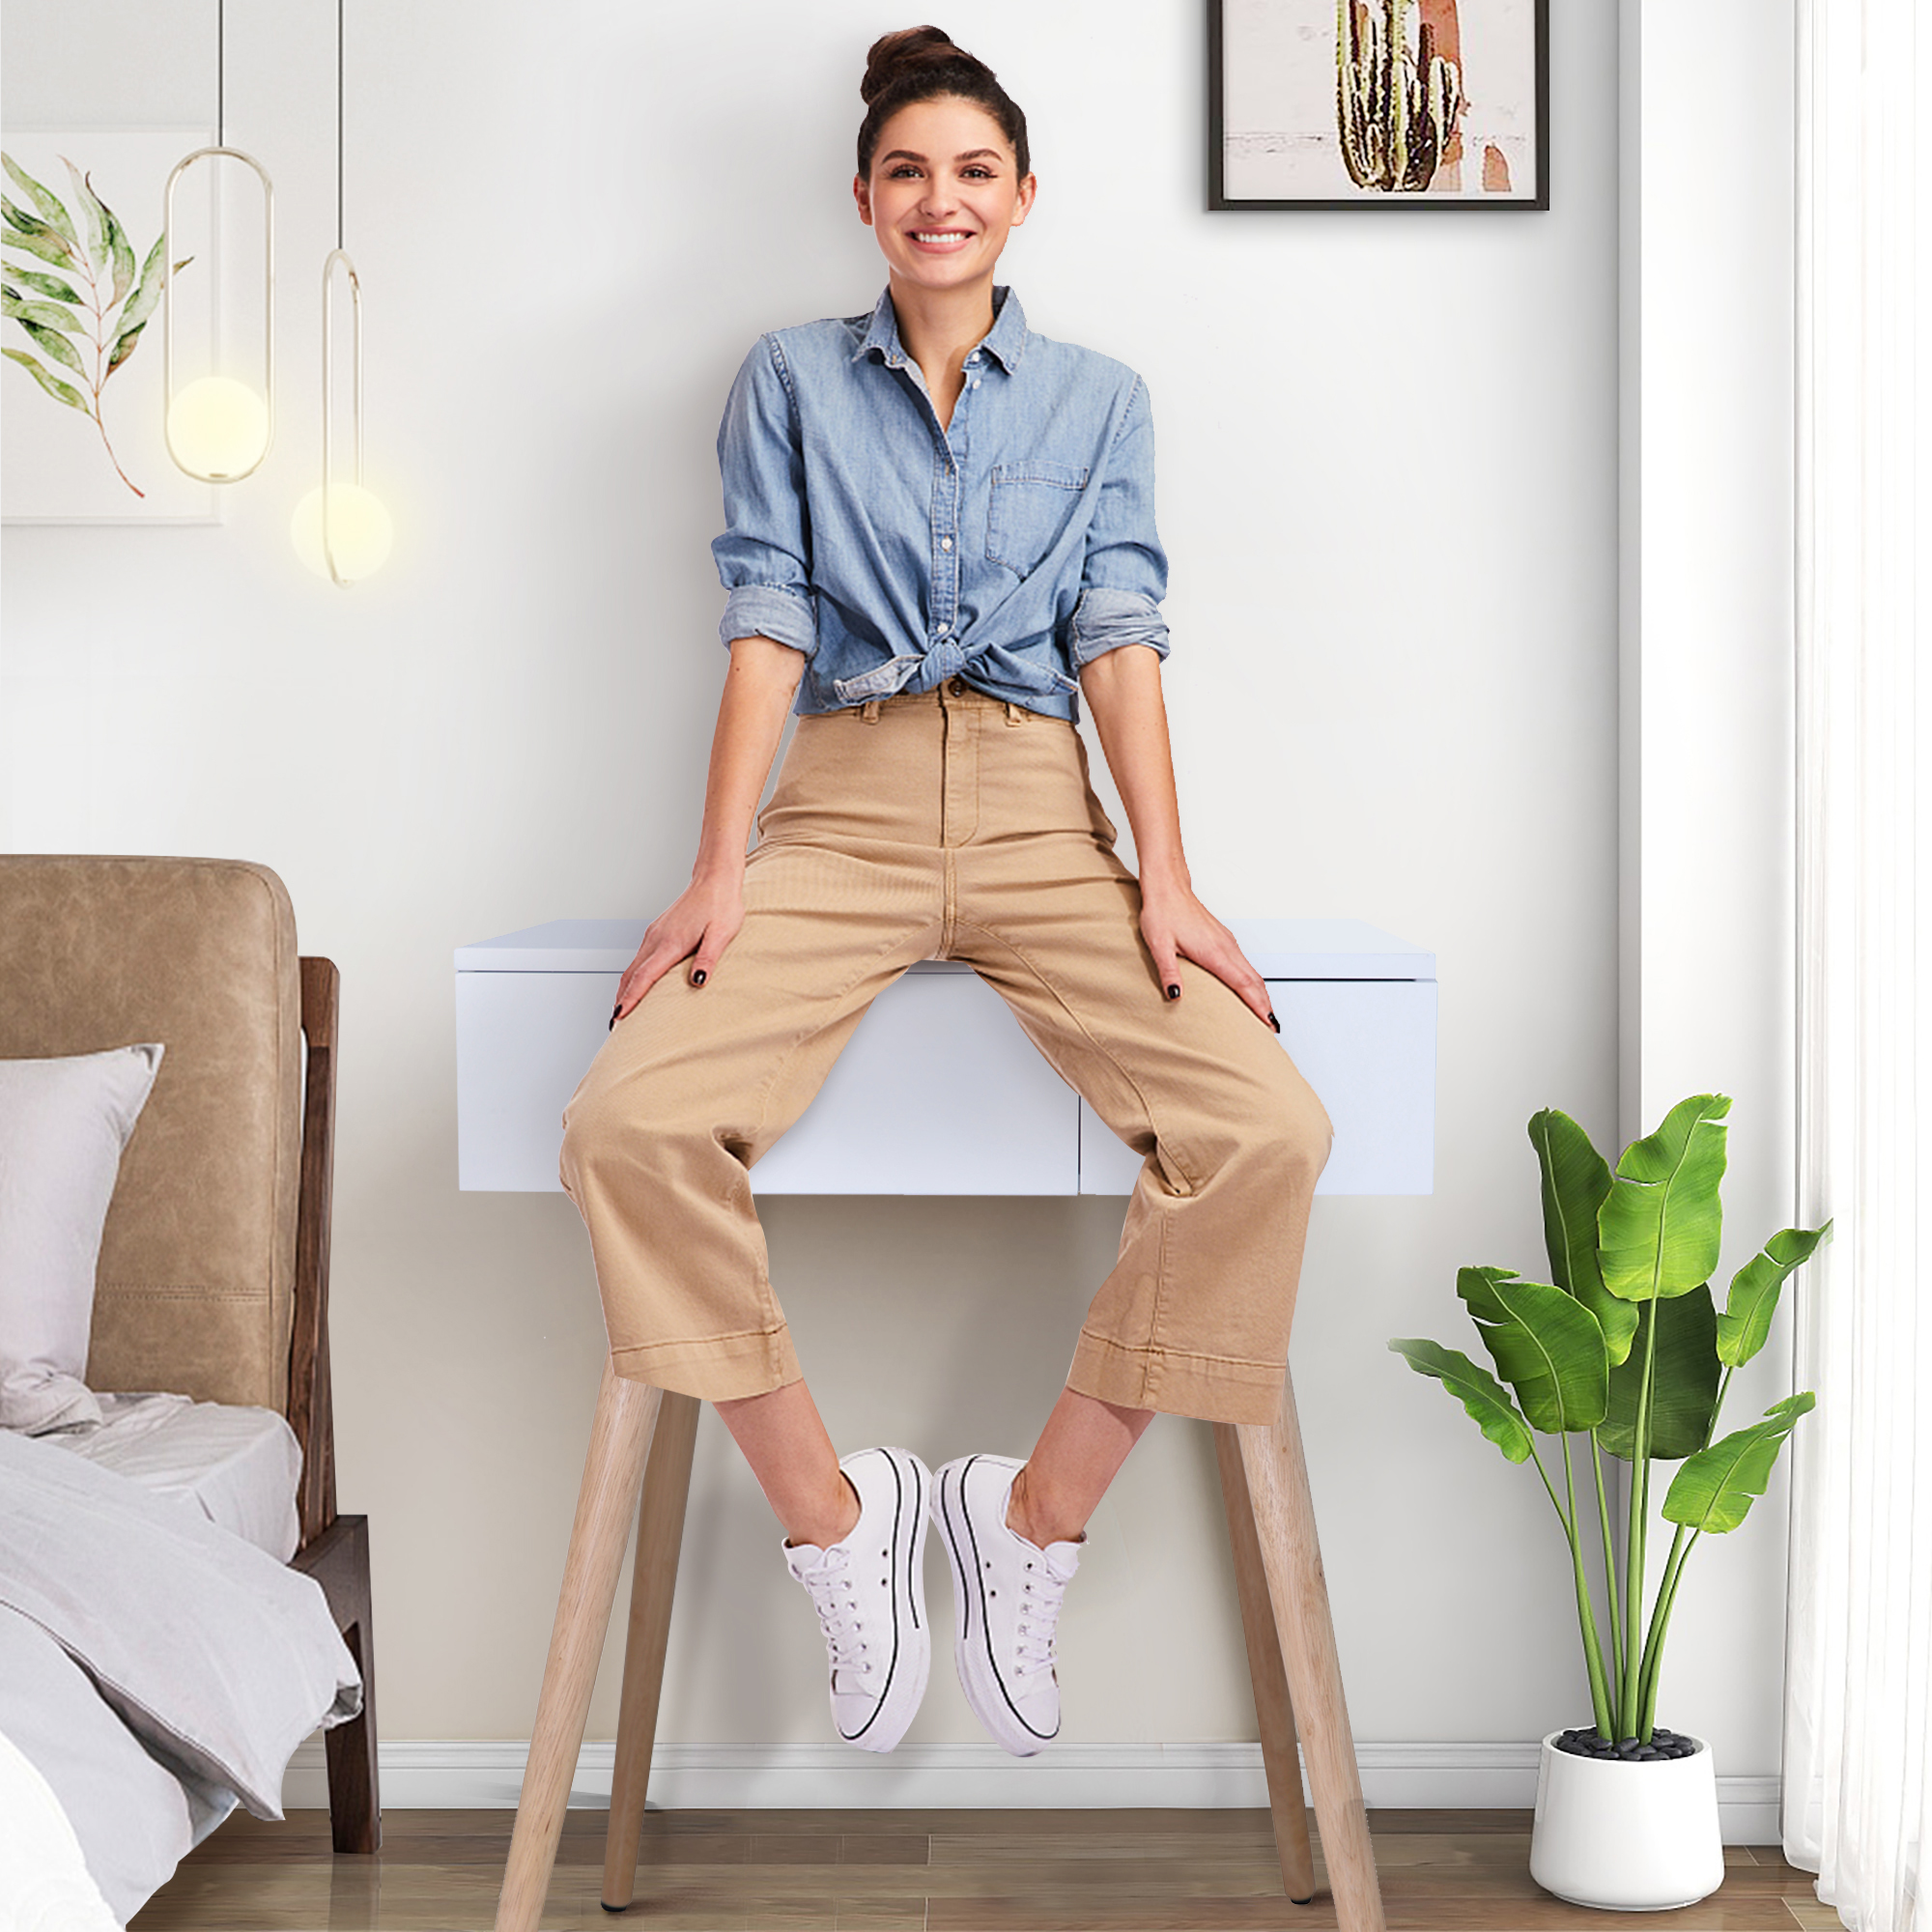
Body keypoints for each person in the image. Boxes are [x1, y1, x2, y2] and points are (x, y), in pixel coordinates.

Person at [559, 24, 1333, 1760]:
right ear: (863, 197)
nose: (941, 199)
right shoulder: (786, 379)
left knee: (1268, 1129)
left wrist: (1169, 882)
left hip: (1041, 817)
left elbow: (1120, 643)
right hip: (833, 814)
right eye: (909, 170)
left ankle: (1029, 1517)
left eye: (975, 171)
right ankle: (835, 1530)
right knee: (624, 1126)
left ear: (1024, 197)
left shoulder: (1101, 401)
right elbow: (765, 621)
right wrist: (716, 872)